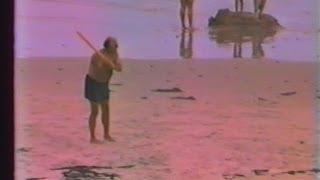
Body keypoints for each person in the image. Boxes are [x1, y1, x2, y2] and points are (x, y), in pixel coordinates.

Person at [84, 37, 122, 144]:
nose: (116, 46)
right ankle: (92, 137)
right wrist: (105, 62)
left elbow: (119, 68)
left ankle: (106, 134)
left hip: (104, 84)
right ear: (108, 46)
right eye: (114, 44)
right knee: (95, 111)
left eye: (116, 44)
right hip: (93, 83)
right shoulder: (97, 55)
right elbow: (99, 67)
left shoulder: (114, 54)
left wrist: (112, 64)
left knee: (106, 109)